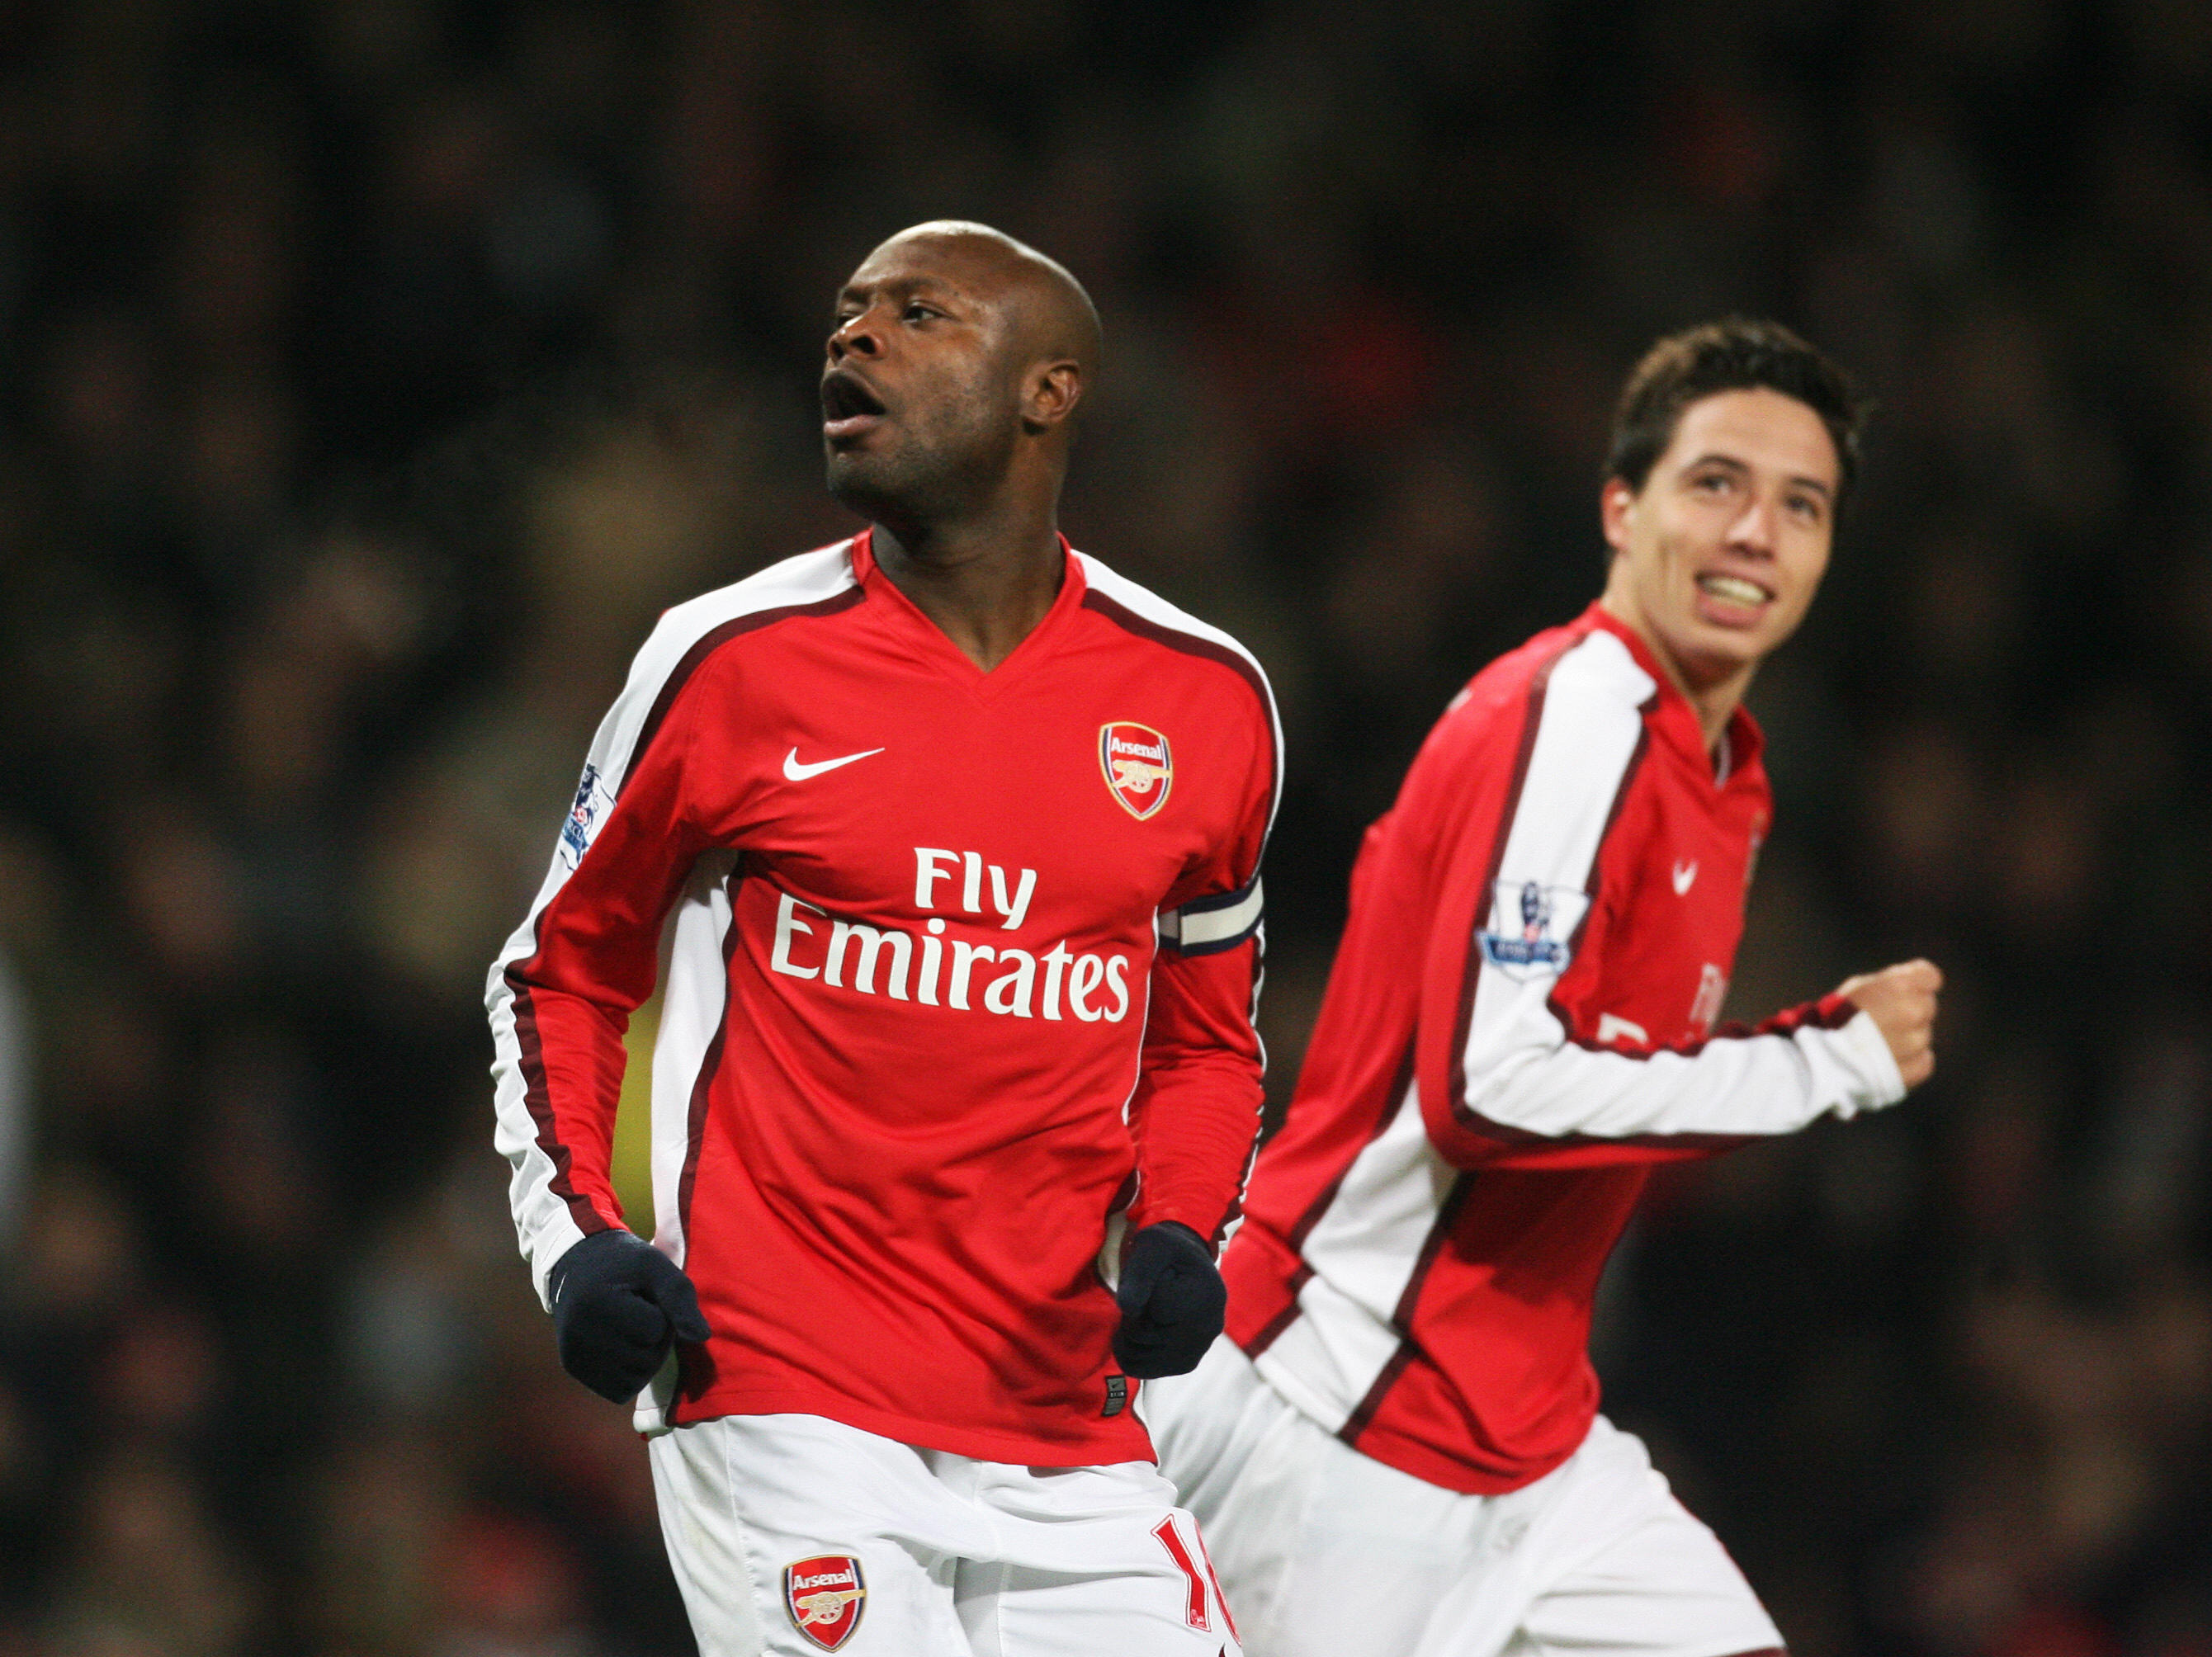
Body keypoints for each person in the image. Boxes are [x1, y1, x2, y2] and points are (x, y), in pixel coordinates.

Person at [488, 222, 1277, 1657]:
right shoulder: (728, 659)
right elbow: (562, 968)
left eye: (919, 314)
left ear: (1050, 392)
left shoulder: (1206, 703)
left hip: (1064, 1415)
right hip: (780, 1395)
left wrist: (1181, 1230)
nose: (853, 339)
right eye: (848, 312)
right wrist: (580, 1248)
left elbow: (1208, 1044)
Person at [1145, 318, 1941, 1657]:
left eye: (1800, 505)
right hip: (1342, 1420)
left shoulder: (1724, 773)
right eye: (1717, 485)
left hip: (1530, 1439)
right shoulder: (1577, 721)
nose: (1757, 531)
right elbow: (1487, 1085)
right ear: (1621, 509)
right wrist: (1820, 1062)